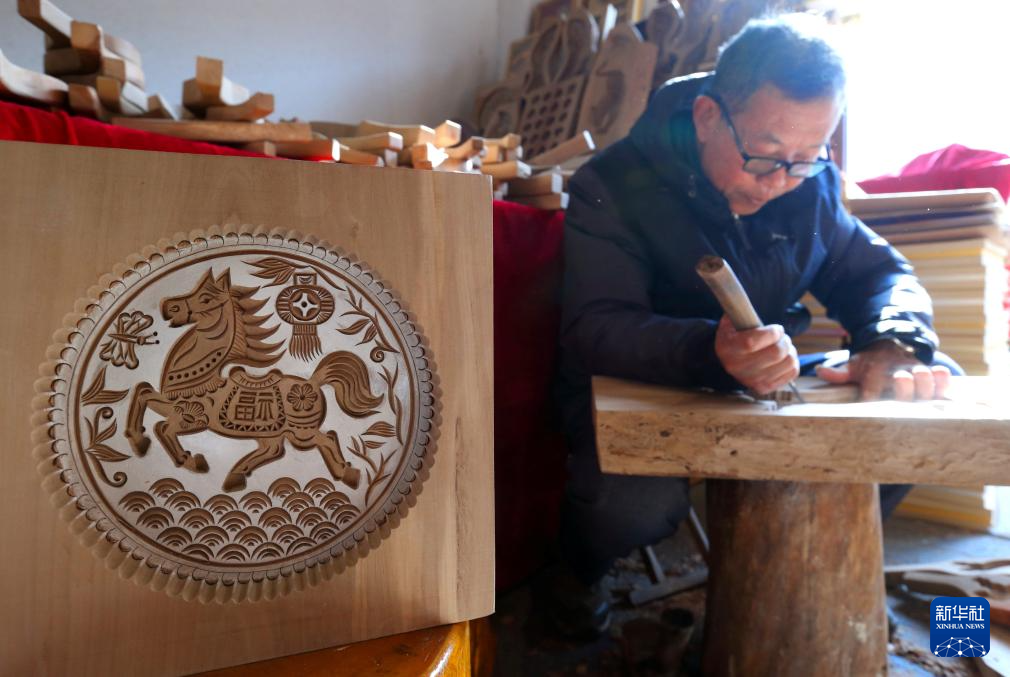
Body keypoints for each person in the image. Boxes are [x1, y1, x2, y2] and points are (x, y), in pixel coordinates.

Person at [551, 13, 961, 637]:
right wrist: (708, 352)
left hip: (760, 379)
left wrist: (893, 339)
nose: (779, 182)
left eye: (806, 159)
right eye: (764, 157)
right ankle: (578, 573)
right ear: (707, 117)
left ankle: (808, 558)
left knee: (922, 387)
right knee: (629, 506)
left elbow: (880, 273)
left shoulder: (810, 187)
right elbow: (596, 328)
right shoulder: (612, 183)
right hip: (647, 378)